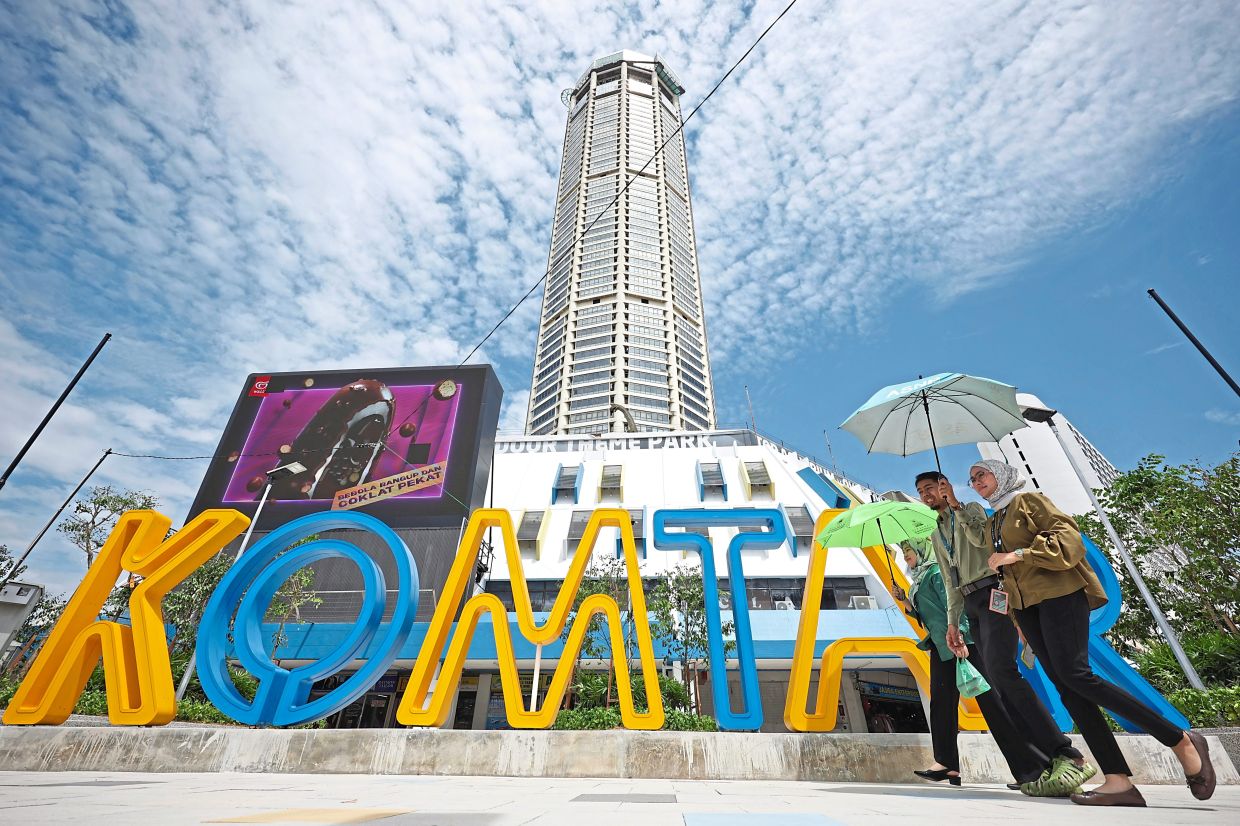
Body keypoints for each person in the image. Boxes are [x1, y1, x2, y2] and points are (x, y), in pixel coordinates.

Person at [970, 459, 1216, 807]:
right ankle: (1117, 780)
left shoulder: (1029, 501)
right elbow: (1007, 575)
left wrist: (1018, 554)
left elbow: (1069, 541)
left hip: (1060, 596)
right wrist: (1016, 619)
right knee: (1068, 689)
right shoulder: (993, 520)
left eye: (981, 474)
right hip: (1026, 609)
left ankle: (1180, 740)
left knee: (1076, 675)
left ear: (1002, 474)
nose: (976, 481)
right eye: (972, 478)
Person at [915, 470, 1093, 796]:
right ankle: (1040, 764)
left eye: (931, 488)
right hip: (970, 602)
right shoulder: (936, 532)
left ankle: (1063, 751)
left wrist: (956, 506)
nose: (926, 495)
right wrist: (953, 622)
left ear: (944, 487)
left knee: (1002, 672)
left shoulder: (970, 510)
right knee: (999, 681)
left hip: (993, 593)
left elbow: (980, 543)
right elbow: (951, 581)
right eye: (920, 491)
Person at [894, 538, 1052, 789]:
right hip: (941, 646)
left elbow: (952, 607)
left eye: (908, 550)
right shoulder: (920, 579)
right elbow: (928, 614)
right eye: (903, 552)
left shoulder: (936, 573)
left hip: (962, 643)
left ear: (923, 549)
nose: (905, 556)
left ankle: (1031, 768)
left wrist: (962, 637)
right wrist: (904, 601)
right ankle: (947, 763)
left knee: (993, 704)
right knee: (941, 703)